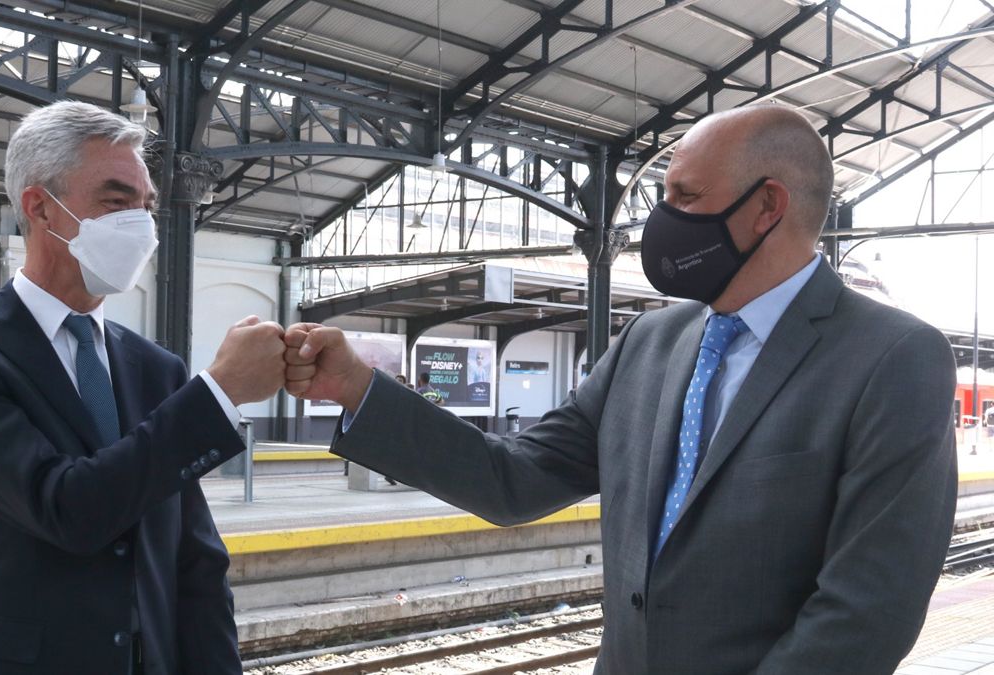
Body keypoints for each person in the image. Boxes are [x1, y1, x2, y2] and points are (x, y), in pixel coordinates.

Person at [283, 105, 958, 675]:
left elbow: (868, 609)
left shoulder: (893, 358)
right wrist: (358, 386)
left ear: (767, 207)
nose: (661, 222)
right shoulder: (649, 344)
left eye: (685, 198)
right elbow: (514, 478)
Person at [0, 101, 286, 675]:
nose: (140, 223)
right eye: (115, 202)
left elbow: (195, 563)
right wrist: (220, 392)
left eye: (146, 205)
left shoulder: (155, 368)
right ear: (40, 208)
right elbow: (67, 508)